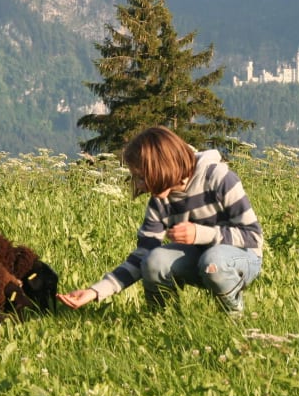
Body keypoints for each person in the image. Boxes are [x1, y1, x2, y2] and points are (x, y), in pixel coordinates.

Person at [57, 126, 263, 316]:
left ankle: (234, 319)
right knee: (154, 260)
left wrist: (201, 234)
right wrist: (95, 292)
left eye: (141, 177)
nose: (140, 185)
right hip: (200, 259)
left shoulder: (218, 178)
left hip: (242, 258)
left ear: (162, 167)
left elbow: (252, 236)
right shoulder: (160, 201)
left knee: (214, 261)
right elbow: (141, 258)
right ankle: (163, 321)